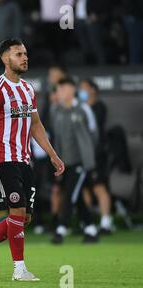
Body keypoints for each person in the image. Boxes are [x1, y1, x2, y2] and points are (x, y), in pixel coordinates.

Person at [0, 38, 65, 282]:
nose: (24, 58)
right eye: (18, 54)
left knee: (23, 218)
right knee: (17, 212)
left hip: (24, 160)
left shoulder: (28, 89)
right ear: (5, 59)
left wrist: (52, 154)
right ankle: (19, 270)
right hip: (3, 159)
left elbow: (36, 125)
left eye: (25, 54)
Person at [50, 78, 99, 244]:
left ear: (72, 90)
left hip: (80, 162)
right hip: (64, 163)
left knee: (70, 195)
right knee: (76, 197)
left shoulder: (83, 109)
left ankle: (61, 229)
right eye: (58, 90)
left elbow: (93, 135)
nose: (60, 93)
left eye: (63, 89)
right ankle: (91, 229)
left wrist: (88, 159)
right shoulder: (55, 111)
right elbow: (56, 138)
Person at [78, 79, 113, 234]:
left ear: (93, 90)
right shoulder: (79, 108)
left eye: (84, 88)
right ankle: (88, 224)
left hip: (97, 154)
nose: (81, 91)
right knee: (84, 188)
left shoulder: (99, 107)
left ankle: (105, 223)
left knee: (99, 187)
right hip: (82, 154)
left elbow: (94, 130)